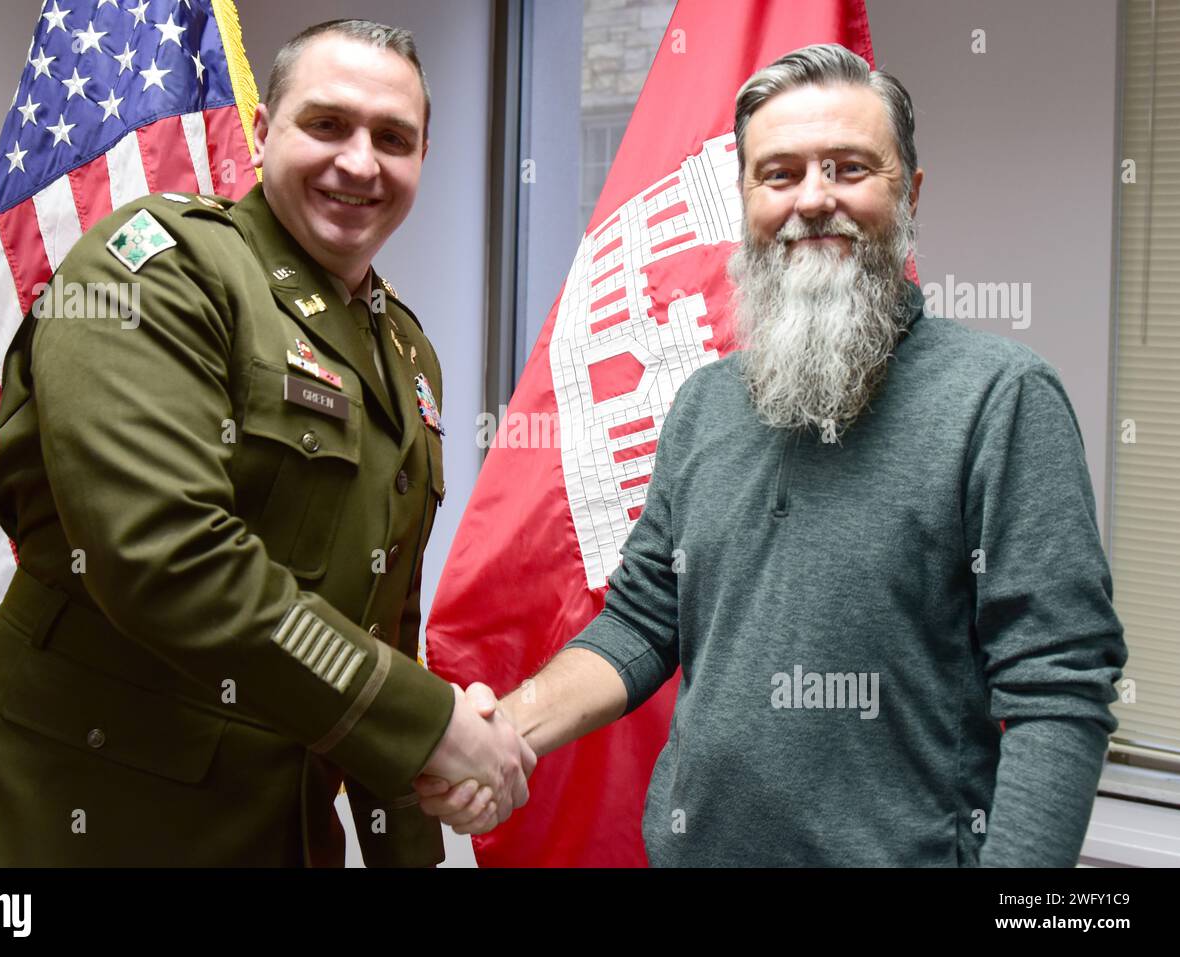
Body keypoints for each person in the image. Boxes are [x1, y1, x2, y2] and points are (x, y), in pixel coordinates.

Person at [417, 43, 1127, 867]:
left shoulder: (1001, 400)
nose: (813, 199)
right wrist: (506, 729)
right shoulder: (703, 403)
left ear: (911, 195)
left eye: (850, 167)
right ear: (746, 199)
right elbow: (644, 622)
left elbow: (1060, 690)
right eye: (779, 174)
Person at [0, 18, 532, 868]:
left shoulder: (407, 356)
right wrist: (431, 723)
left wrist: (407, 834)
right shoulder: (153, 271)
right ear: (264, 134)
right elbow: (166, 552)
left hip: (264, 833)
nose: (361, 162)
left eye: (394, 138)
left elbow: (380, 625)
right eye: (327, 124)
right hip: (59, 822)